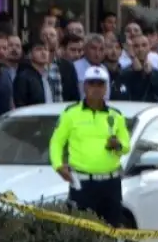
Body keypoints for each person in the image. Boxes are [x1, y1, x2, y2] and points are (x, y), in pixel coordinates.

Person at [48, 65, 131, 227]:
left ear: (106, 87)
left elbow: (127, 146)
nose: (96, 89)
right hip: (83, 183)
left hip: (111, 183)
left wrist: (118, 145)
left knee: (112, 230)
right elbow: (56, 142)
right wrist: (58, 165)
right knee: (82, 234)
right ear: (84, 86)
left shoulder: (116, 115)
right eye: (92, 84)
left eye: (100, 84)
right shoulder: (71, 113)